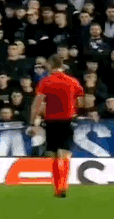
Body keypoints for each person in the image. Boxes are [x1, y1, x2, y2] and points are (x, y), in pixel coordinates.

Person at [29, 55, 85, 198]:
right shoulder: (73, 81)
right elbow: (81, 101)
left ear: (50, 64)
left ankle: (57, 187)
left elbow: (38, 103)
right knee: (65, 154)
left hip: (51, 121)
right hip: (68, 120)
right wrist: (73, 109)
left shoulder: (45, 81)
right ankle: (63, 185)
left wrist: (33, 120)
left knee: (53, 154)